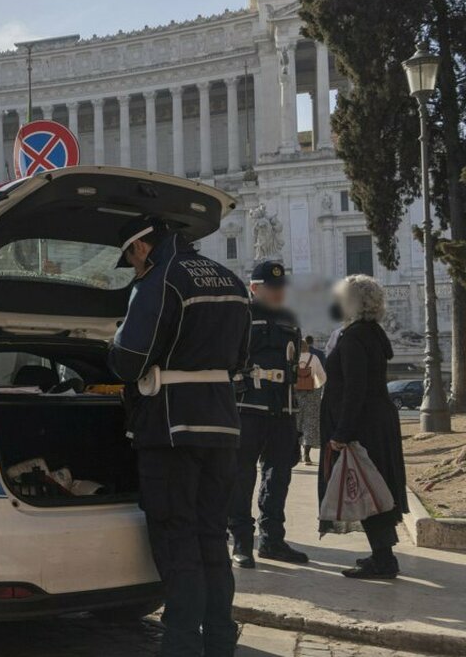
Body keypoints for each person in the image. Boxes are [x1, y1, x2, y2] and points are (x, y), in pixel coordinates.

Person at [108, 216, 250, 657]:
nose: (133, 269)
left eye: (131, 259)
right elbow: (240, 359)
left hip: (172, 428)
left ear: (142, 249)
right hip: (222, 426)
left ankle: (182, 644)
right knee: (212, 537)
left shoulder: (160, 279)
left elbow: (129, 359)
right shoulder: (230, 278)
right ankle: (221, 640)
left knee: (177, 539)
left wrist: (111, 350)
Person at [319, 275, 409, 579]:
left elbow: (354, 389)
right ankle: (383, 556)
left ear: (353, 302)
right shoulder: (371, 333)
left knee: (369, 488)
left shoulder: (355, 337)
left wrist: (342, 433)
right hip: (376, 420)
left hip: (363, 426)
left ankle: (384, 561)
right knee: (375, 488)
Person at [227, 261, 310, 569]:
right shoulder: (241, 316)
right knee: (241, 476)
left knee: (279, 477)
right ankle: (242, 541)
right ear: (254, 288)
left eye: (281, 288)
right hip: (249, 407)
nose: (278, 293)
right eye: (271, 288)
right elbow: (228, 360)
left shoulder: (290, 319)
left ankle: (272, 540)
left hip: (284, 409)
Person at [296, 336, 326, 465]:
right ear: (307, 347)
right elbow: (322, 377)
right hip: (311, 394)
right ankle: (306, 455)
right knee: (310, 423)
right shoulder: (314, 358)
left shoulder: (294, 358)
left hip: (295, 394)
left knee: (296, 423)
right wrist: (316, 386)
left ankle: (296, 454)